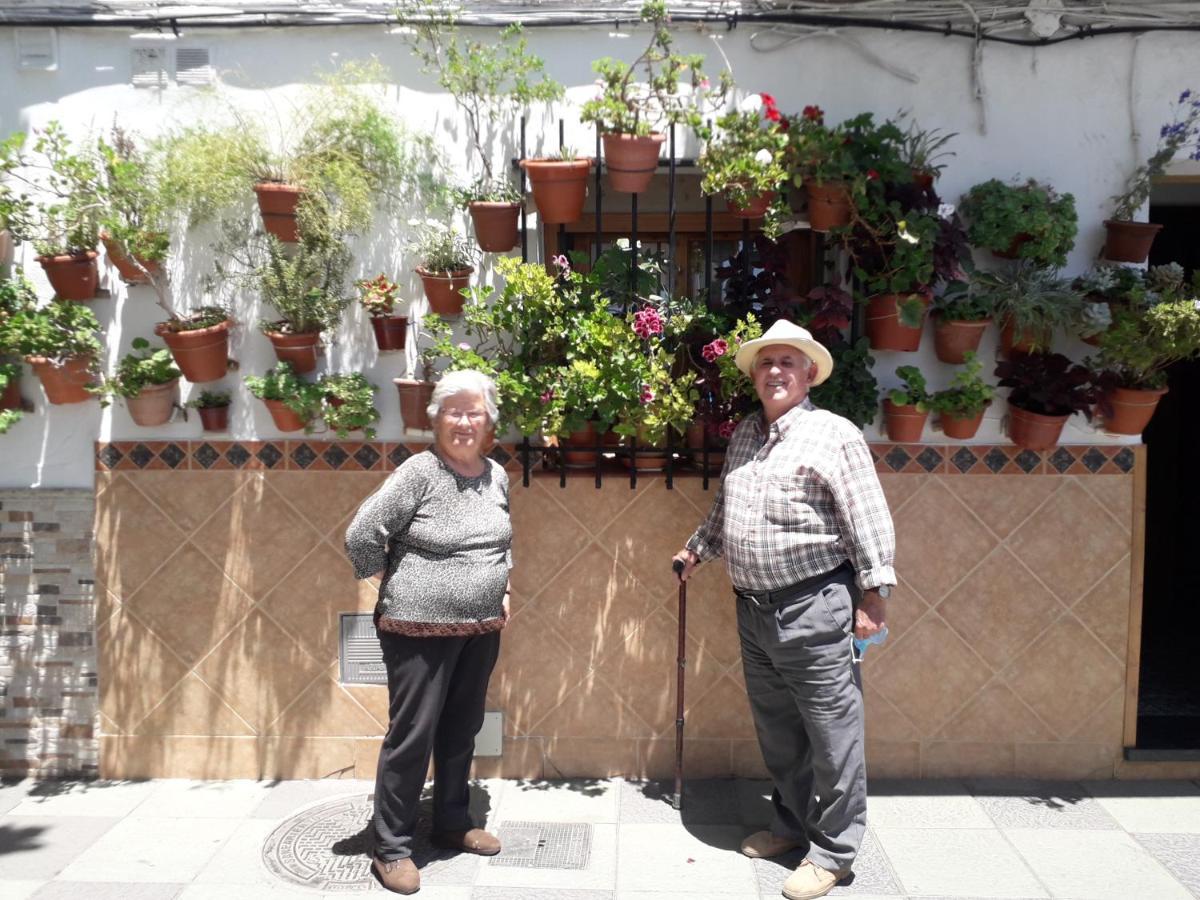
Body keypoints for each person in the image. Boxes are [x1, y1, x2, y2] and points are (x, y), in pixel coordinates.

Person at [672, 319, 894, 900]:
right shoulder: (747, 432)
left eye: (787, 362)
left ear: (810, 373)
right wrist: (697, 549)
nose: (775, 372)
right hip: (753, 611)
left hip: (816, 606)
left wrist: (874, 596)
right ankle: (794, 828)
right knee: (780, 734)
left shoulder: (834, 434)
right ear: (754, 375)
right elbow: (728, 508)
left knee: (832, 734)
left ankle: (835, 853)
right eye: (766, 363)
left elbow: (867, 517)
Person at [344, 369, 512, 895]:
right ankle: (390, 847)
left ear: (489, 422)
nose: (464, 421)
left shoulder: (497, 474)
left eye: (474, 411)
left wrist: (505, 588)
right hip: (417, 627)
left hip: (480, 626)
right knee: (412, 734)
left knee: (461, 729)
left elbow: (502, 537)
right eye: (453, 411)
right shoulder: (421, 472)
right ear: (436, 419)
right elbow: (360, 534)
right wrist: (389, 581)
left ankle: (452, 822)